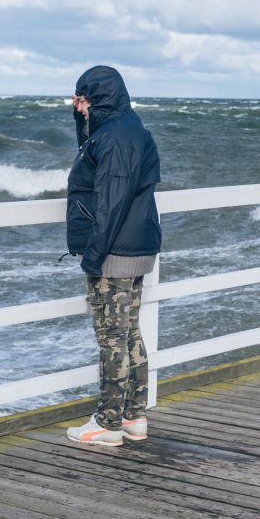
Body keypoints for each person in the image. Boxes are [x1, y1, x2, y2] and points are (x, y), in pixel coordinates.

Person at [63, 66, 162, 447]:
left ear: (98, 98)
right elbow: (88, 151)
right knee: (129, 332)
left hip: (116, 250)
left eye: (82, 100)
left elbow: (111, 201)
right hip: (135, 245)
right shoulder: (125, 127)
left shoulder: (117, 137)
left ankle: (108, 423)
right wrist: (81, 117)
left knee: (111, 339)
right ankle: (135, 417)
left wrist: (94, 254)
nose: (78, 105)